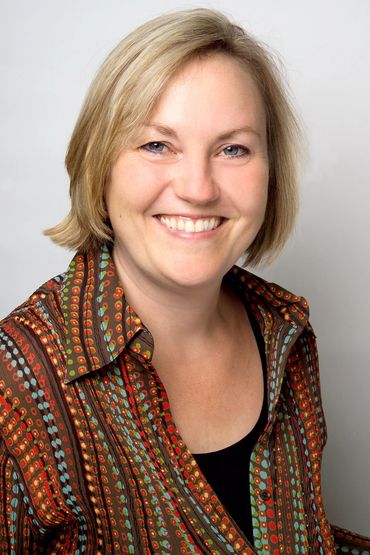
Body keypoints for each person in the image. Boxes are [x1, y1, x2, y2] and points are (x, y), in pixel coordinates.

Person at [0, 7, 369, 554]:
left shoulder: (284, 334)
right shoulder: (15, 387)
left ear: (272, 172)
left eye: (233, 148)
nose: (197, 188)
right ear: (100, 164)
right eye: (156, 145)